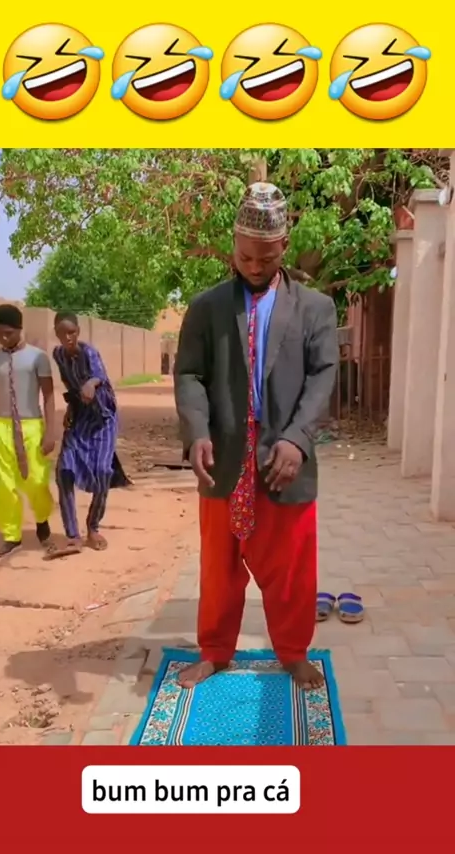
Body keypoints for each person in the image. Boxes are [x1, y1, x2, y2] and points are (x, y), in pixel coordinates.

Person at [174, 182, 339, 691]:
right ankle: (214, 651)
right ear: (234, 244)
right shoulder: (206, 307)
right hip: (223, 461)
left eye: (265, 258)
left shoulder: (315, 308)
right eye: (245, 256)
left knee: (291, 571)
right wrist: (197, 432)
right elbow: (189, 373)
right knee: (218, 568)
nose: (253, 266)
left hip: (284, 462)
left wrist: (297, 438)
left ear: (284, 245)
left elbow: (323, 375)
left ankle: (293, 653)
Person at [0, 304, 56, 558]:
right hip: (3, 426)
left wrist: (50, 432)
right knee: (3, 484)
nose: (3, 338)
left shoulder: (37, 357)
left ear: (19, 329)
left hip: (32, 426)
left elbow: (49, 395)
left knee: (36, 481)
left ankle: (42, 521)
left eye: (8, 333)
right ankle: (11, 535)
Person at [49, 311, 129, 558]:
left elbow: (99, 376)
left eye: (71, 332)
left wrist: (91, 384)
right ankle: (72, 535)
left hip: (103, 418)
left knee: (103, 471)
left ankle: (93, 527)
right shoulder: (58, 354)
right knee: (64, 471)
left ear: (78, 332)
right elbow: (69, 385)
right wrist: (71, 408)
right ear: (56, 334)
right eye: (62, 333)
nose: (67, 337)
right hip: (81, 418)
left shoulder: (89, 352)